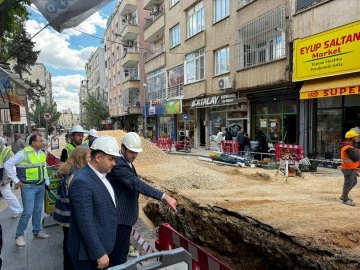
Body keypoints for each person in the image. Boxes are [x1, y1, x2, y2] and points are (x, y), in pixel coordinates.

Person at [107, 132, 177, 265]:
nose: (135, 155)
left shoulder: (125, 160)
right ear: (123, 148)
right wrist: (164, 196)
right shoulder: (119, 164)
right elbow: (136, 183)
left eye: (136, 152)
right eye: (132, 151)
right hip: (120, 219)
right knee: (118, 258)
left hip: (124, 218)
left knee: (121, 254)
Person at [68, 136, 120, 269]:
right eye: (111, 159)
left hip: (102, 248)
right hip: (87, 256)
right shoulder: (82, 181)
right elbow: (85, 222)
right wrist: (99, 253)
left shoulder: (101, 175)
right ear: (98, 158)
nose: (114, 163)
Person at [4, 134, 50, 247]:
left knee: (38, 210)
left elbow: (43, 167)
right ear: (33, 143)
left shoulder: (42, 153)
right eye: (40, 140)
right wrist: (16, 180)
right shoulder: (23, 153)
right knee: (27, 212)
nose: (43, 142)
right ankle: (19, 235)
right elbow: (7, 165)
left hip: (40, 185)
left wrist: (47, 182)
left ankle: (37, 231)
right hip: (28, 187)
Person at [53, 147, 91, 270]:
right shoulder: (76, 175)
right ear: (82, 158)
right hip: (70, 217)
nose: (90, 159)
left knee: (67, 242)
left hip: (63, 214)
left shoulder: (68, 170)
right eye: (88, 157)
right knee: (72, 245)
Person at [0, 138, 23, 218]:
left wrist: (6, 179)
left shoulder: (6, 151)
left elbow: (8, 166)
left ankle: (17, 210)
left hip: (3, 175)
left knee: (6, 193)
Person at [340, 130, 360, 206]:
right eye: (355, 137)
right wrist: (358, 152)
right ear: (351, 138)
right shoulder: (348, 148)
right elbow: (356, 158)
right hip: (348, 168)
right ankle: (345, 199)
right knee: (348, 184)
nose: (356, 138)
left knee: (354, 182)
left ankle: (344, 196)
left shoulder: (350, 147)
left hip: (351, 168)